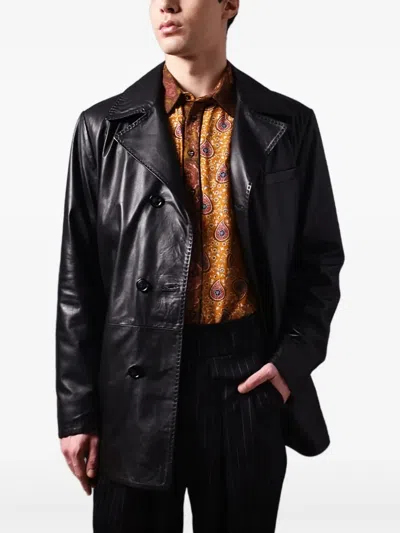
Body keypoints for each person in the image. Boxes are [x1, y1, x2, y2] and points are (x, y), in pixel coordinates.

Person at [55, 1, 345, 531]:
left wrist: (289, 363)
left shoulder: (289, 125)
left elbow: (320, 259)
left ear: (229, 4)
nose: (165, 5)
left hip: (245, 379)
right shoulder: (103, 128)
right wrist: (77, 412)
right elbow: (78, 282)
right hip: (133, 383)